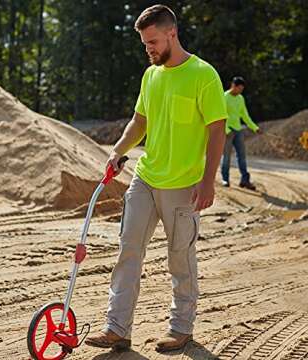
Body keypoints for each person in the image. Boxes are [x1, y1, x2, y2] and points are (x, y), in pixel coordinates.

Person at [85, 4, 227, 353]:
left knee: (180, 258)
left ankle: (181, 328)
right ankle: (117, 327)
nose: (148, 49)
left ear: (171, 34)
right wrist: (118, 150)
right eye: (144, 43)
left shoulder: (203, 74)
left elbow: (217, 130)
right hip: (146, 179)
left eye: (152, 42)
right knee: (128, 250)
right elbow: (139, 121)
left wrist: (208, 181)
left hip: (184, 185)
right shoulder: (152, 75)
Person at [221, 76, 262, 190]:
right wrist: (226, 130)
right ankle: (225, 179)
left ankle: (245, 180)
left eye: (242, 89)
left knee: (242, 156)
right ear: (233, 86)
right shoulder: (224, 97)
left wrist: (255, 128)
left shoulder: (240, 98)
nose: (240, 91)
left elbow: (245, 115)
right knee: (227, 157)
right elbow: (220, 115)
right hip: (228, 131)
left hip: (238, 130)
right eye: (239, 88)